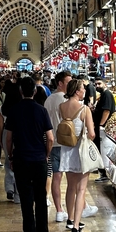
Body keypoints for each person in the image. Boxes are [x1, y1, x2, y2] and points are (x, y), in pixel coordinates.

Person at [3, 77, 54, 232]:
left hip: (21, 159)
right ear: (34, 91)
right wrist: (46, 155)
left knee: (26, 200)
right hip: (39, 159)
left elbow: (8, 138)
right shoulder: (41, 110)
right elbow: (51, 137)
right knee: (41, 198)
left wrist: (10, 155)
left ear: (21, 91)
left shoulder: (14, 111)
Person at [58, 79, 97, 232]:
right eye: (82, 89)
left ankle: (70, 218)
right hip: (80, 152)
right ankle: (76, 228)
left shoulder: (62, 107)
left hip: (66, 150)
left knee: (70, 187)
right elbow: (92, 133)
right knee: (81, 189)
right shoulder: (84, 109)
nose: (84, 91)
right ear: (77, 91)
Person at [44, 69, 72, 222]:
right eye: (69, 82)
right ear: (60, 83)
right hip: (66, 143)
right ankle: (73, 210)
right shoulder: (66, 100)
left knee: (56, 177)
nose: (71, 85)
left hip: (53, 141)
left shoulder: (48, 100)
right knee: (71, 177)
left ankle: (59, 211)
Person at [92, 79, 116, 183]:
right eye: (96, 84)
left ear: (105, 84)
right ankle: (102, 172)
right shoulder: (103, 95)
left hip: (102, 127)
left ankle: (104, 173)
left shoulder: (106, 94)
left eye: (99, 83)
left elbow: (106, 111)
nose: (97, 86)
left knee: (102, 150)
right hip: (100, 126)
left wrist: (101, 125)